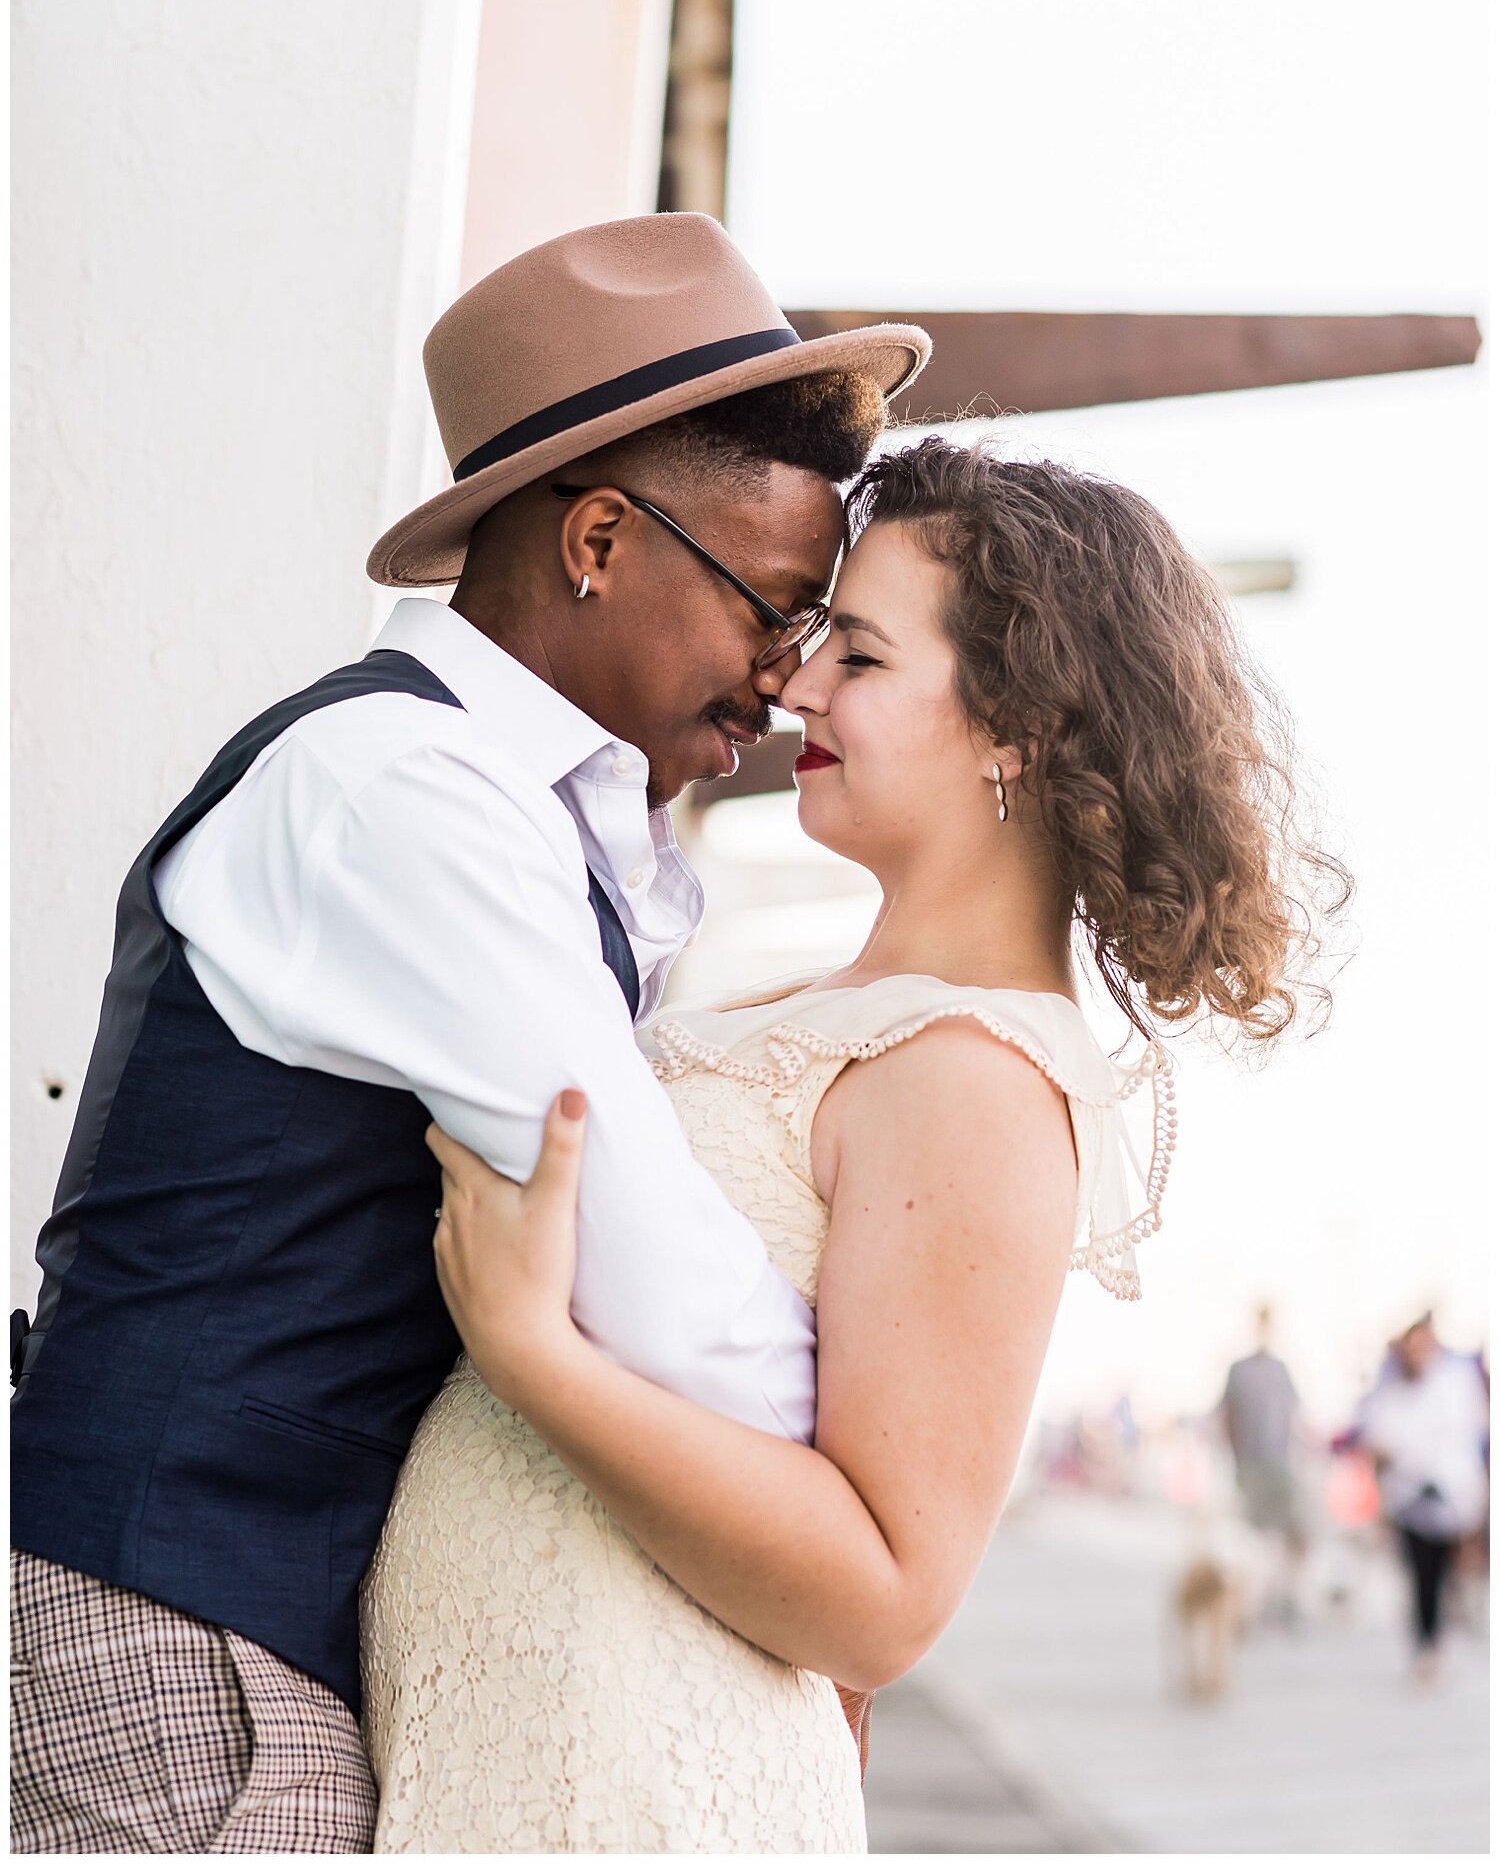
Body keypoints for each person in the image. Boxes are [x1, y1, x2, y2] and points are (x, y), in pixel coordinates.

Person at [9, 213, 930, 1853]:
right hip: (178, 1654)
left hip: (231, 1637)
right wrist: (874, 1502)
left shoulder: (519, 813)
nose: (786, 678)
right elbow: (656, 1293)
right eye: (773, 608)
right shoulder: (404, 797)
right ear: (594, 539)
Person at [362, 434, 1353, 1852]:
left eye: (863, 659)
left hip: (625, 1780)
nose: (793, 679)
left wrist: (533, 1358)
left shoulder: (975, 1080)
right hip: (530, 1744)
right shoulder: (824, 1010)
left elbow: (887, 1594)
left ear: (1024, 729)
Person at [1354, 1315, 1490, 1681]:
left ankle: (1438, 1639)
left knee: (1444, 1572)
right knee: (1421, 1572)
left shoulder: (1455, 1381)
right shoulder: (1394, 1388)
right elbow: (1377, 1435)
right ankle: (1425, 1644)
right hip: (1410, 1493)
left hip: (1449, 1491)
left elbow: (1470, 1432)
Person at [1218, 1304, 1307, 1621]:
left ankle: (1283, 1598)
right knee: (1253, 1539)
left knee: (1294, 1534)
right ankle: (1252, 1605)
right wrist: (1237, 1462)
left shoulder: (1281, 1368)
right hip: (1253, 1464)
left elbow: (1294, 1414)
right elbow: (1227, 1417)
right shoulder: (1239, 1369)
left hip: (1280, 1462)